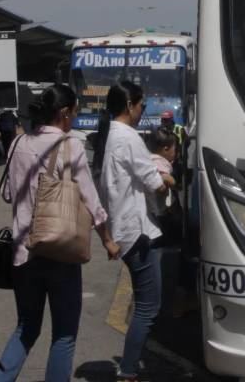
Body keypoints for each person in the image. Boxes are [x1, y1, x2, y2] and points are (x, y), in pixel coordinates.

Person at [0, 84, 119, 382]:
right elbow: (90, 199)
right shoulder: (70, 145)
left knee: (26, 327)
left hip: (24, 252)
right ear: (64, 113)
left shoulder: (17, 143)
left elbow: (7, 194)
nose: (75, 117)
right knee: (63, 335)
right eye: (74, 111)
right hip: (60, 251)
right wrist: (107, 239)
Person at [95, 79, 176, 381]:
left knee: (147, 304)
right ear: (129, 105)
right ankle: (128, 370)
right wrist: (169, 180)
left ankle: (129, 368)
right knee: (147, 307)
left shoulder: (110, 135)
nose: (144, 111)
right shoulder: (127, 137)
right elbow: (154, 182)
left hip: (125, 227)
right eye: (142, 105)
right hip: (135, 232)